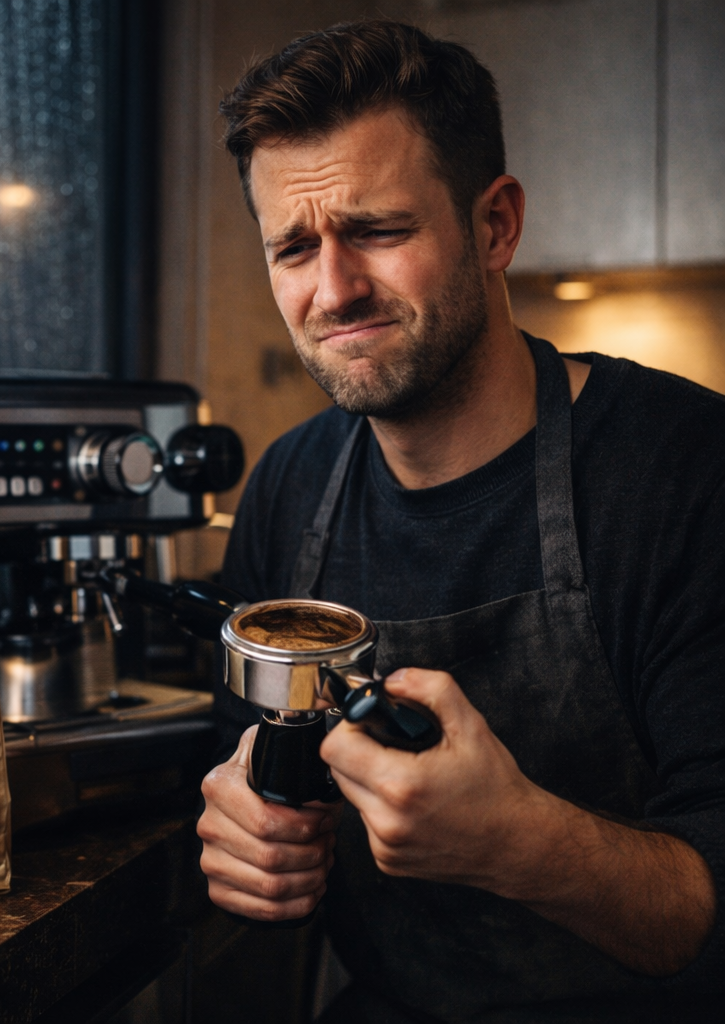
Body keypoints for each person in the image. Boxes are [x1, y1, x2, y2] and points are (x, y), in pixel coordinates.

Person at [195, 20, 723, 1023]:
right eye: (294, 248)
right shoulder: (288, 490)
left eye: (379, 231)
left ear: (493, 228)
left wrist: (519, 845)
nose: (333, 288)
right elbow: (242, 767)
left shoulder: (682, 472)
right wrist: (242, 831)